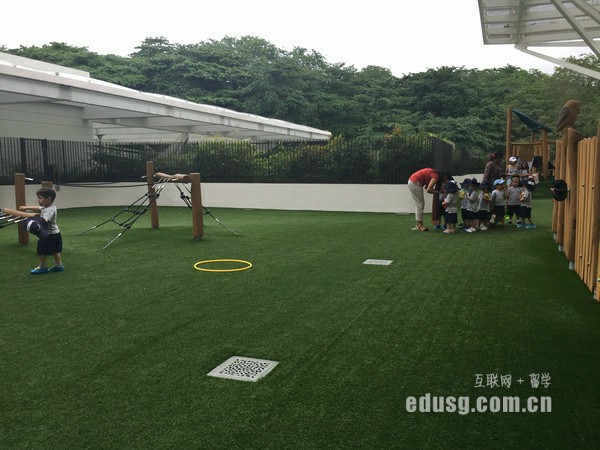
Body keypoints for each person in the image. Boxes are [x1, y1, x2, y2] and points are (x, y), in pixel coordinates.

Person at [2, 187, 64, 274]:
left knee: (42, 251)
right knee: (56, 251)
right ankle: (59, 266)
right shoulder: (49, 207)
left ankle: (42, 267)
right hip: (56, 233)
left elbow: (43, 222)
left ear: (48, 199)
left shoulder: (49, 211)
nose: (38, 200)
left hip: (48, 235)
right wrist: (25, 207)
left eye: (40, 198)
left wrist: (33, 223)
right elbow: (38, 208)